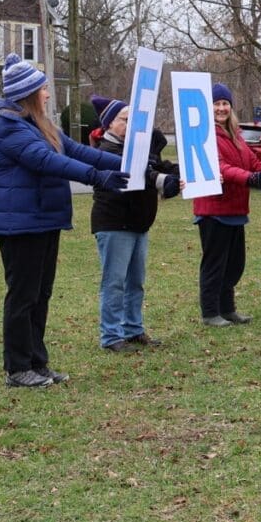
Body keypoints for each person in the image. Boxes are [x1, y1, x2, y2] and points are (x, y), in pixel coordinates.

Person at [0, 53, 129, 388]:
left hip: (43, 219)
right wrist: (96, 178)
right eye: (43, 89)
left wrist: (123, 162)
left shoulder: (38, 125)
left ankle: (37, 362)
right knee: (23, 295)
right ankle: (17, 368)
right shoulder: (8, 128)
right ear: (29, 94)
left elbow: (76, 151)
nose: (47, 94)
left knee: (40, 294)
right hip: (19, 223)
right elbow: (46, 161)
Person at [89, 94, 182, 352]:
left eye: (134, 120)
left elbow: (158, 166)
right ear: (109, 124)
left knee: (135, 281)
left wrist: (185, 172)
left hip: (138, 224)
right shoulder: (108, 151)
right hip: (114, 224)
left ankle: (133, 329)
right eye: (124, 120)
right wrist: (164, 181)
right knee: (114, 282)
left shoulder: (138, 149)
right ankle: (111, 336)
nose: (130, 125)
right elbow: (140, 173)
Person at [195, 83, 261, 326]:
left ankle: (227, 309)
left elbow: (252, 162)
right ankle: (210, 312)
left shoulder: (236, 135)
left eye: (225, 103)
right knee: (215, 264)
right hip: (214, 210)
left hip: (236, 210)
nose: (221, 108)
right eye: (216, 103)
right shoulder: (205, 135)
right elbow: (221, 168)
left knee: (234, 264)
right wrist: (249, 178)